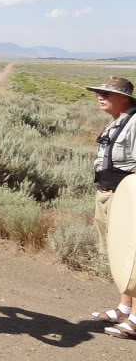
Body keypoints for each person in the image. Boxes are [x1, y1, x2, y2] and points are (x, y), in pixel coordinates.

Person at [86, 77, 136, 338]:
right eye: (98, 92)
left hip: (127, 198)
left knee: (134, 258)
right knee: (119, 255)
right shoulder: (117, 122)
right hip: (108, 194)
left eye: (106, 93)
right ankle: (123, 309)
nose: (100, 96)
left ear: (124, 98)